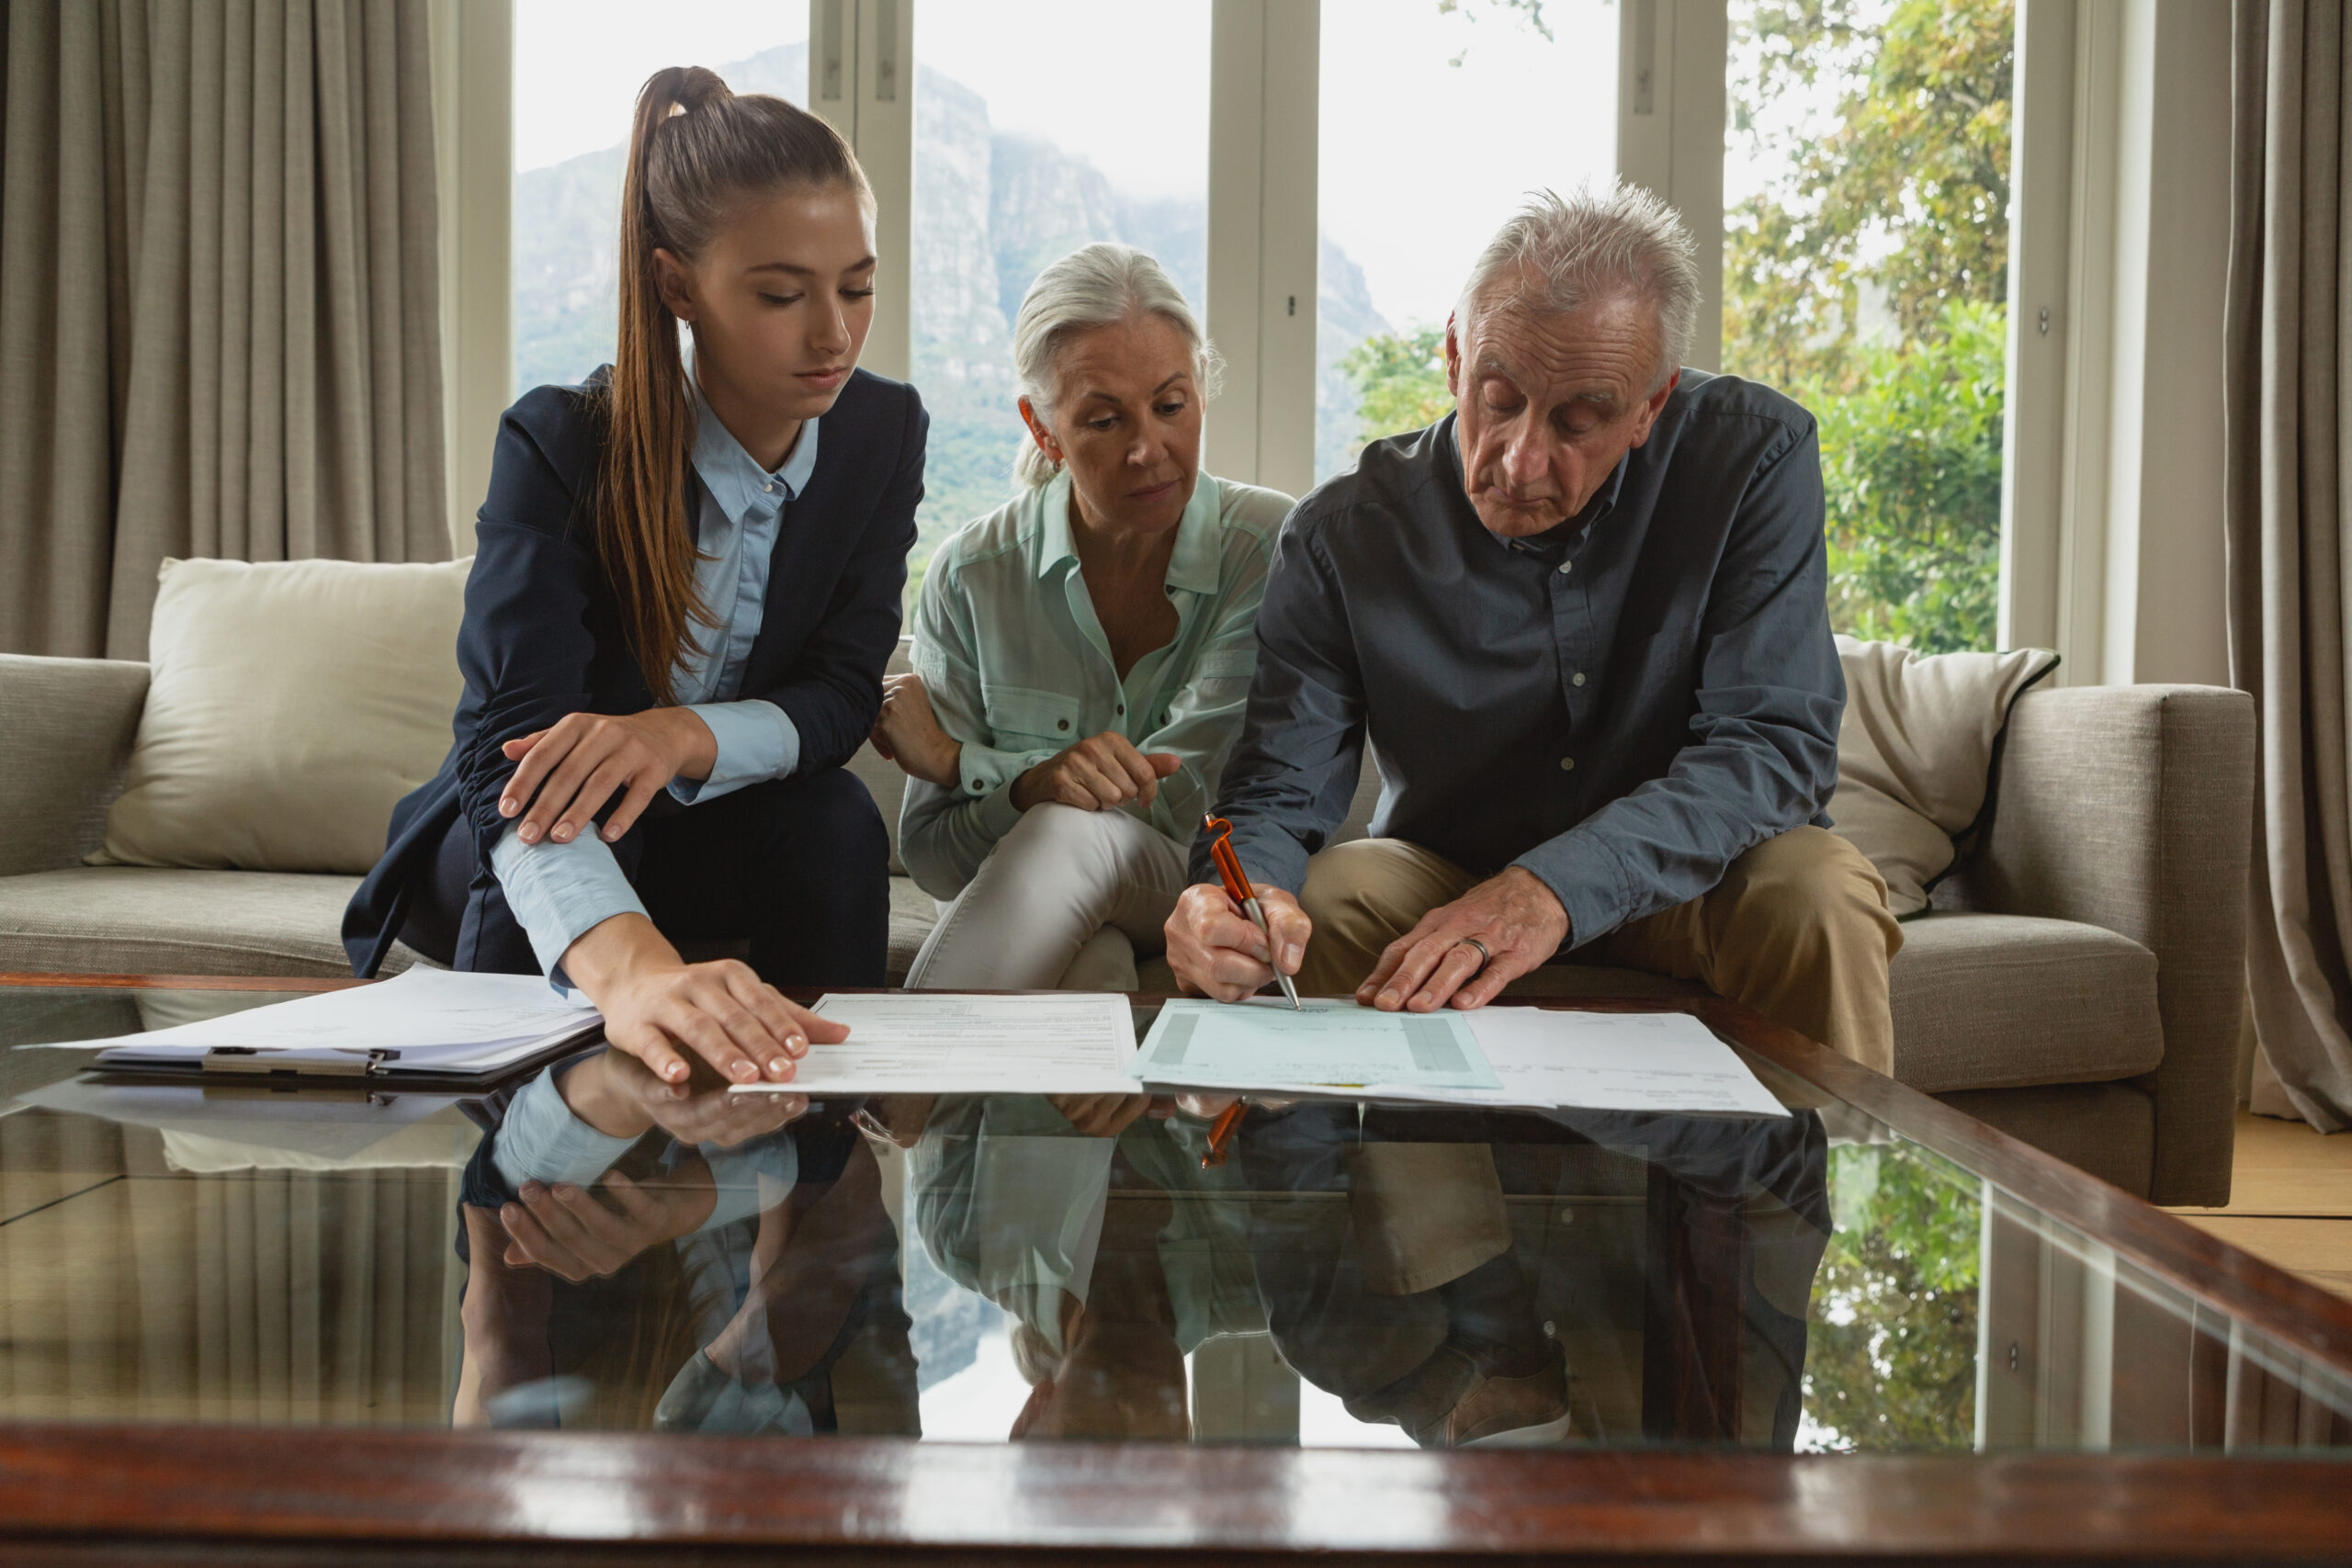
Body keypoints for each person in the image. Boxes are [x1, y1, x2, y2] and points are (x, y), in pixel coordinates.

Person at [1164, 184, 1904, 1070]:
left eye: (1578, 422)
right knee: (1335, 893)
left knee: (1818, 889)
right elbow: (1279, 792)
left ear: (1650, 407)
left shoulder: (1753, 458)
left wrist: (1552, 887)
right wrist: (1233, 901)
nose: (1519, 458)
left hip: (1699, 880)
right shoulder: (1340, 535)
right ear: (1452, 356)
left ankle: (1795, 1202)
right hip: (1455, 876)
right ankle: (1379, 1204)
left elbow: (1772, 746)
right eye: (1499, 397)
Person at [345, 67, 926, 1089]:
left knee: (835, 821)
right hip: (529, 823)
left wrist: (677, 735)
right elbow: (507, 759)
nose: (833, 333)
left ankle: (822, 1182)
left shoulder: (882, 433)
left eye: (858, 286)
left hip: (718, 828)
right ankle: (514, 1175)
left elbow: (840, 699)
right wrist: (633, 971)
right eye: (783, 294)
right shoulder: (561, 442)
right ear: (675, 285)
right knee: (561, 822)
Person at [870, 244, 1292, 991]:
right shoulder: (971, 575)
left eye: (1171, 406)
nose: (1147, 450)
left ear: (1201, 391)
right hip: (1030, 902)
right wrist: (1033, 786)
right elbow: (933, 857)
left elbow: (1174, 808)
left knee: (1070, 830)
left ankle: (909, 1098)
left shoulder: (1266, 550)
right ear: (1043, 427)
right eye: (1103, 419)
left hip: (1182, 885)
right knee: (1093, 964)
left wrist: (966, 766)